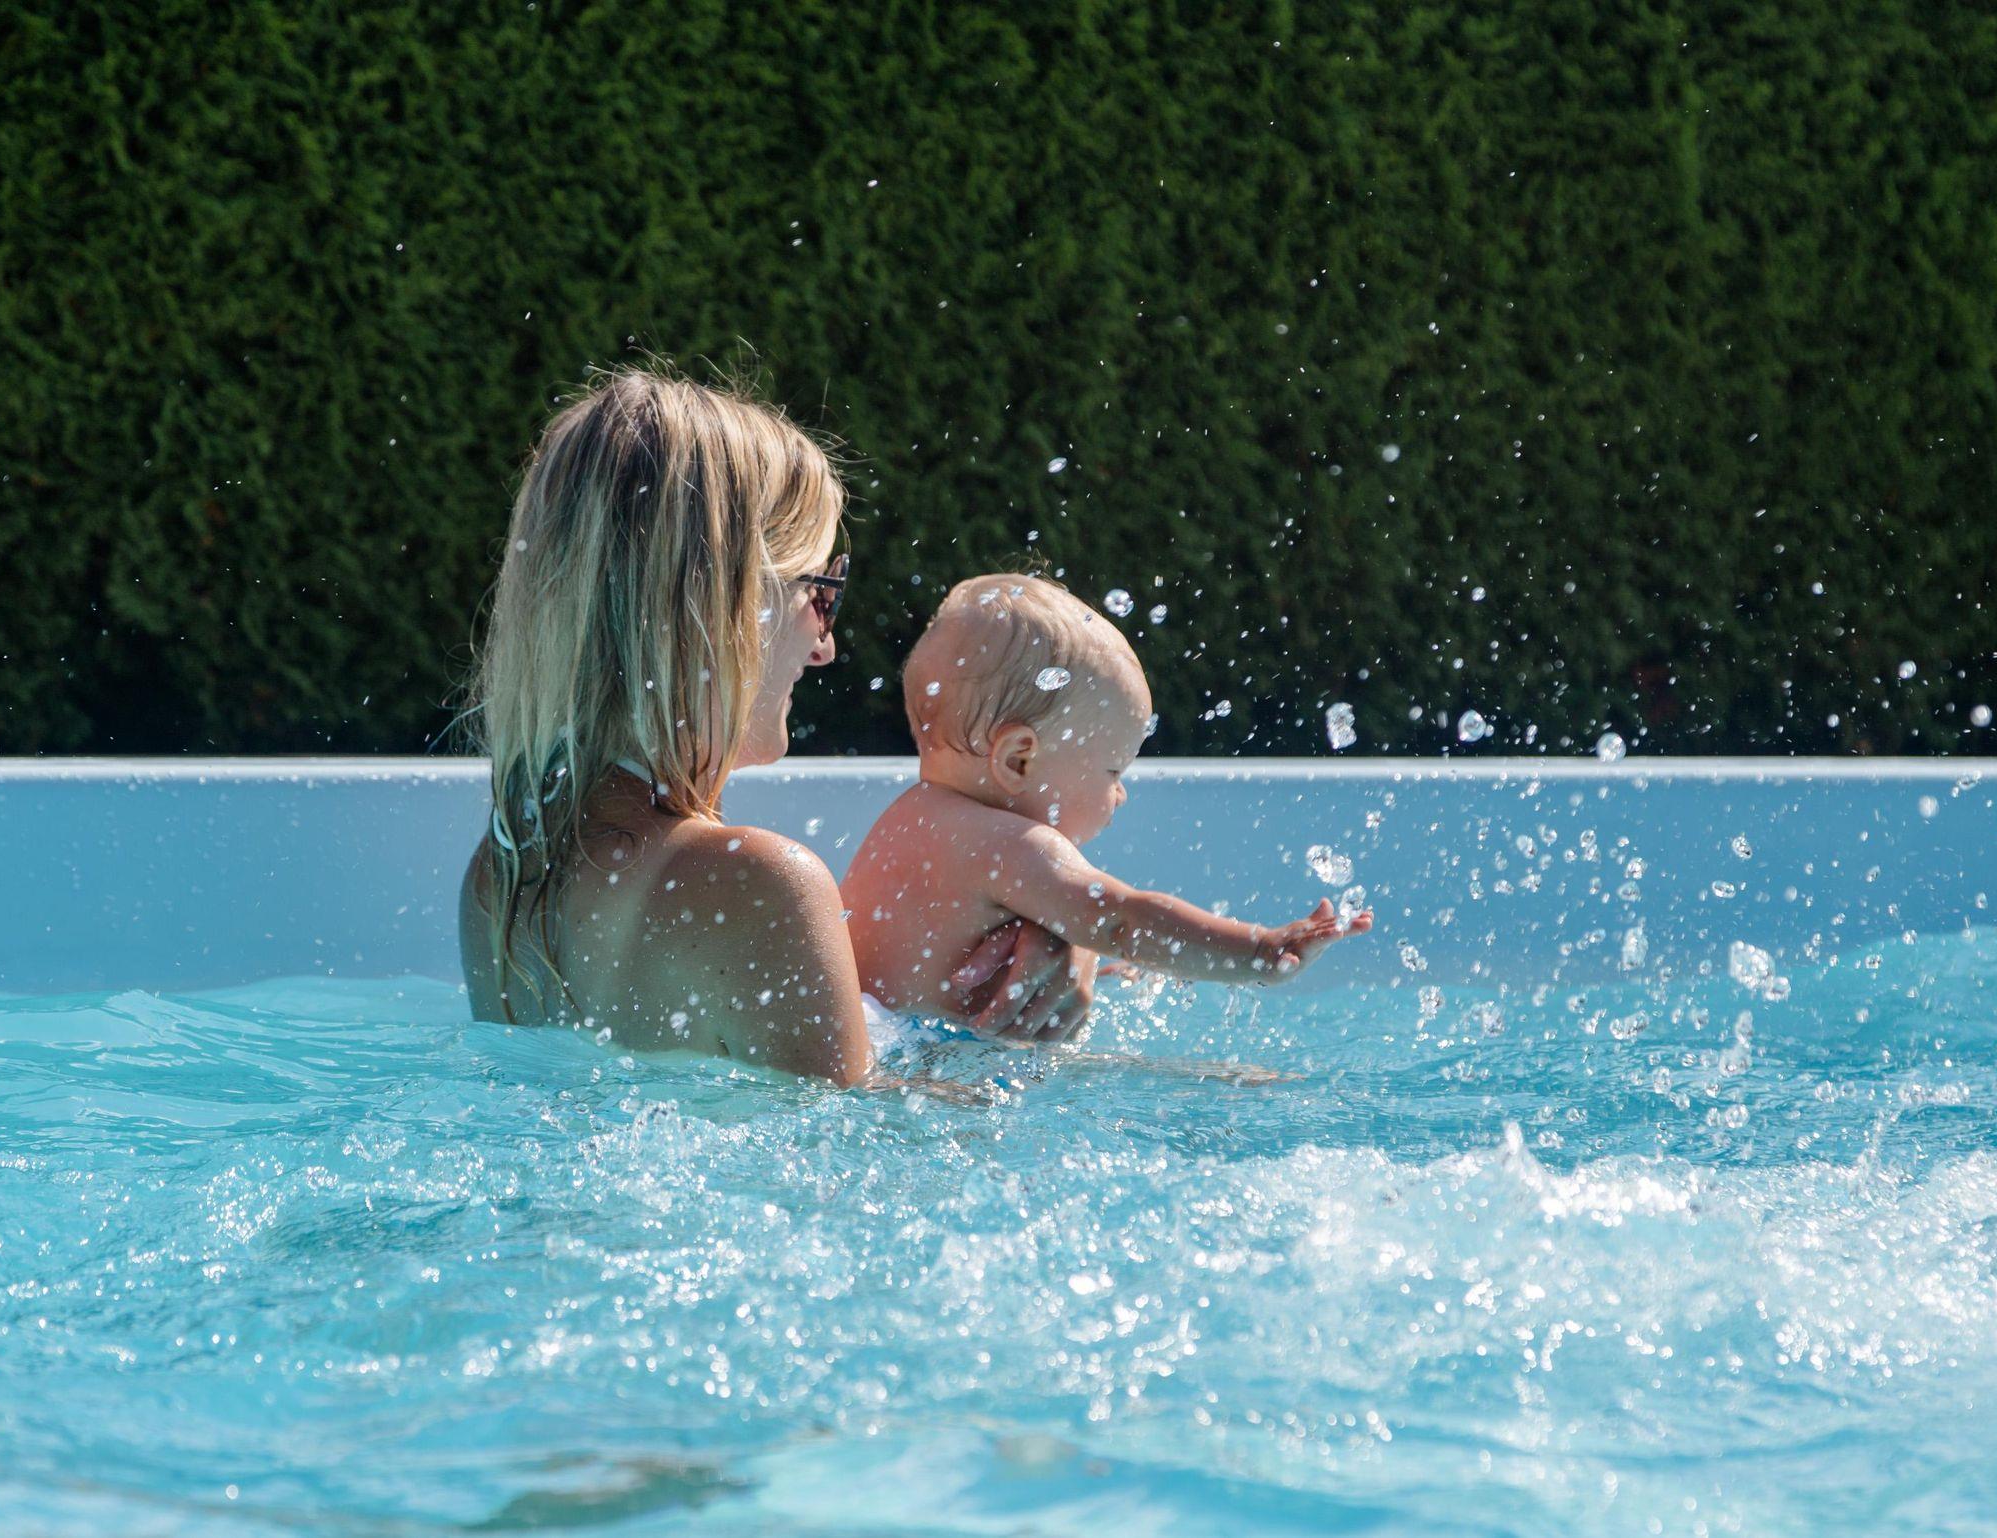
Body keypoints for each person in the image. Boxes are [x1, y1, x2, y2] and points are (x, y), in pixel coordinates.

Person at [457, 369, 1093, 1086]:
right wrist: (1016, 1052)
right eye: (822, 593)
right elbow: (870, 1139)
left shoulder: (503, 877)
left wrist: (1051, 920)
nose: (826, 646)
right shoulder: (758, 885)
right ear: (719, 606)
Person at [841, 574, 1373, 1021]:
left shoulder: (905, 820)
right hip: (935, 1077)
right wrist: (1260, 951)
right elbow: (1124, 921)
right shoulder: (1014, 845)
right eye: (1113, 770)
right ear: (1018, 759)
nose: (1121, 794)